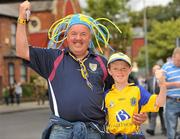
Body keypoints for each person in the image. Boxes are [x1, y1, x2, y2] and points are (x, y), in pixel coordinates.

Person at [16, 1, 147, 139]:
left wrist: (138, 113)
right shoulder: (52, 58)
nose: (78, 38)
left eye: (83, 34)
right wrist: (21, 18)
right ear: (67, 36)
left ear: (89, 37)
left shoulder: (102, 62)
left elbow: (121, 92)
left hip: (94, 130)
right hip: (61, 130)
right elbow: (21, 51)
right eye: (73, 34)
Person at [105, 52, 167, 139]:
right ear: (109, 71)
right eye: (115, 68)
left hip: (134, 136)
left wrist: (162, 84)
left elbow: (159, 103)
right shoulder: (106, 95)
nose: (120, 72)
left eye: (124, 68)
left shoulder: (137, 90)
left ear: (130, 70)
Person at [162, 47, 180, 139]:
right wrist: (175, 84)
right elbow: (161, 84)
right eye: (178, 60)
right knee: (171, 131)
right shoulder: (166, 67)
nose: (179, 63)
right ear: (173, 57)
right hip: (171, 102)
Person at [145, 64, 166, 136]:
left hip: (163, 100)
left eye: (158, 69)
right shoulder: (149, 79)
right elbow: (147, 90)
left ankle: (164, 129)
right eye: (155, 70)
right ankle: (152, 129)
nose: (156, 71)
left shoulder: (164, 78)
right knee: (153, 115)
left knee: (162, 115)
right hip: (154, 101)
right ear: (153, 71)